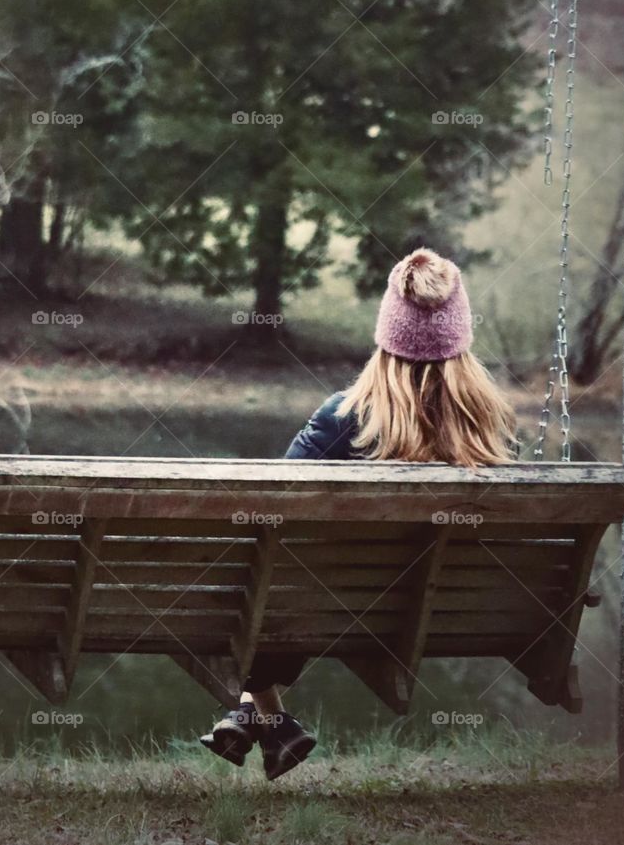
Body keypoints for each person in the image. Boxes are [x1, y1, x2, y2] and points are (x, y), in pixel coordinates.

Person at [199, 247, 517, 780]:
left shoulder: (343, 419)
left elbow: (269, 517)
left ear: (386, 339)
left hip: (331, 605)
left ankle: (268, 719)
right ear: (460, 341)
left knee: (258, 581)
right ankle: (266, 721)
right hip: (441, 610)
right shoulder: (487, 429)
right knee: (297, 586)